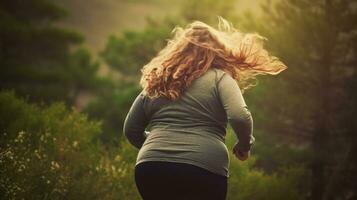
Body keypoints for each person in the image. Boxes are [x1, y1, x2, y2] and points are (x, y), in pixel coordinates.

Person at [123, 17, 287, 200]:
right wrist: (244, 144)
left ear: (178, 51)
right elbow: (240, 116)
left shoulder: (158, 82)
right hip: (202, 168)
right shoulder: (220, 78)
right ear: (216, 52)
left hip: (152, 168)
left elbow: (131, 129)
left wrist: (160, 145)